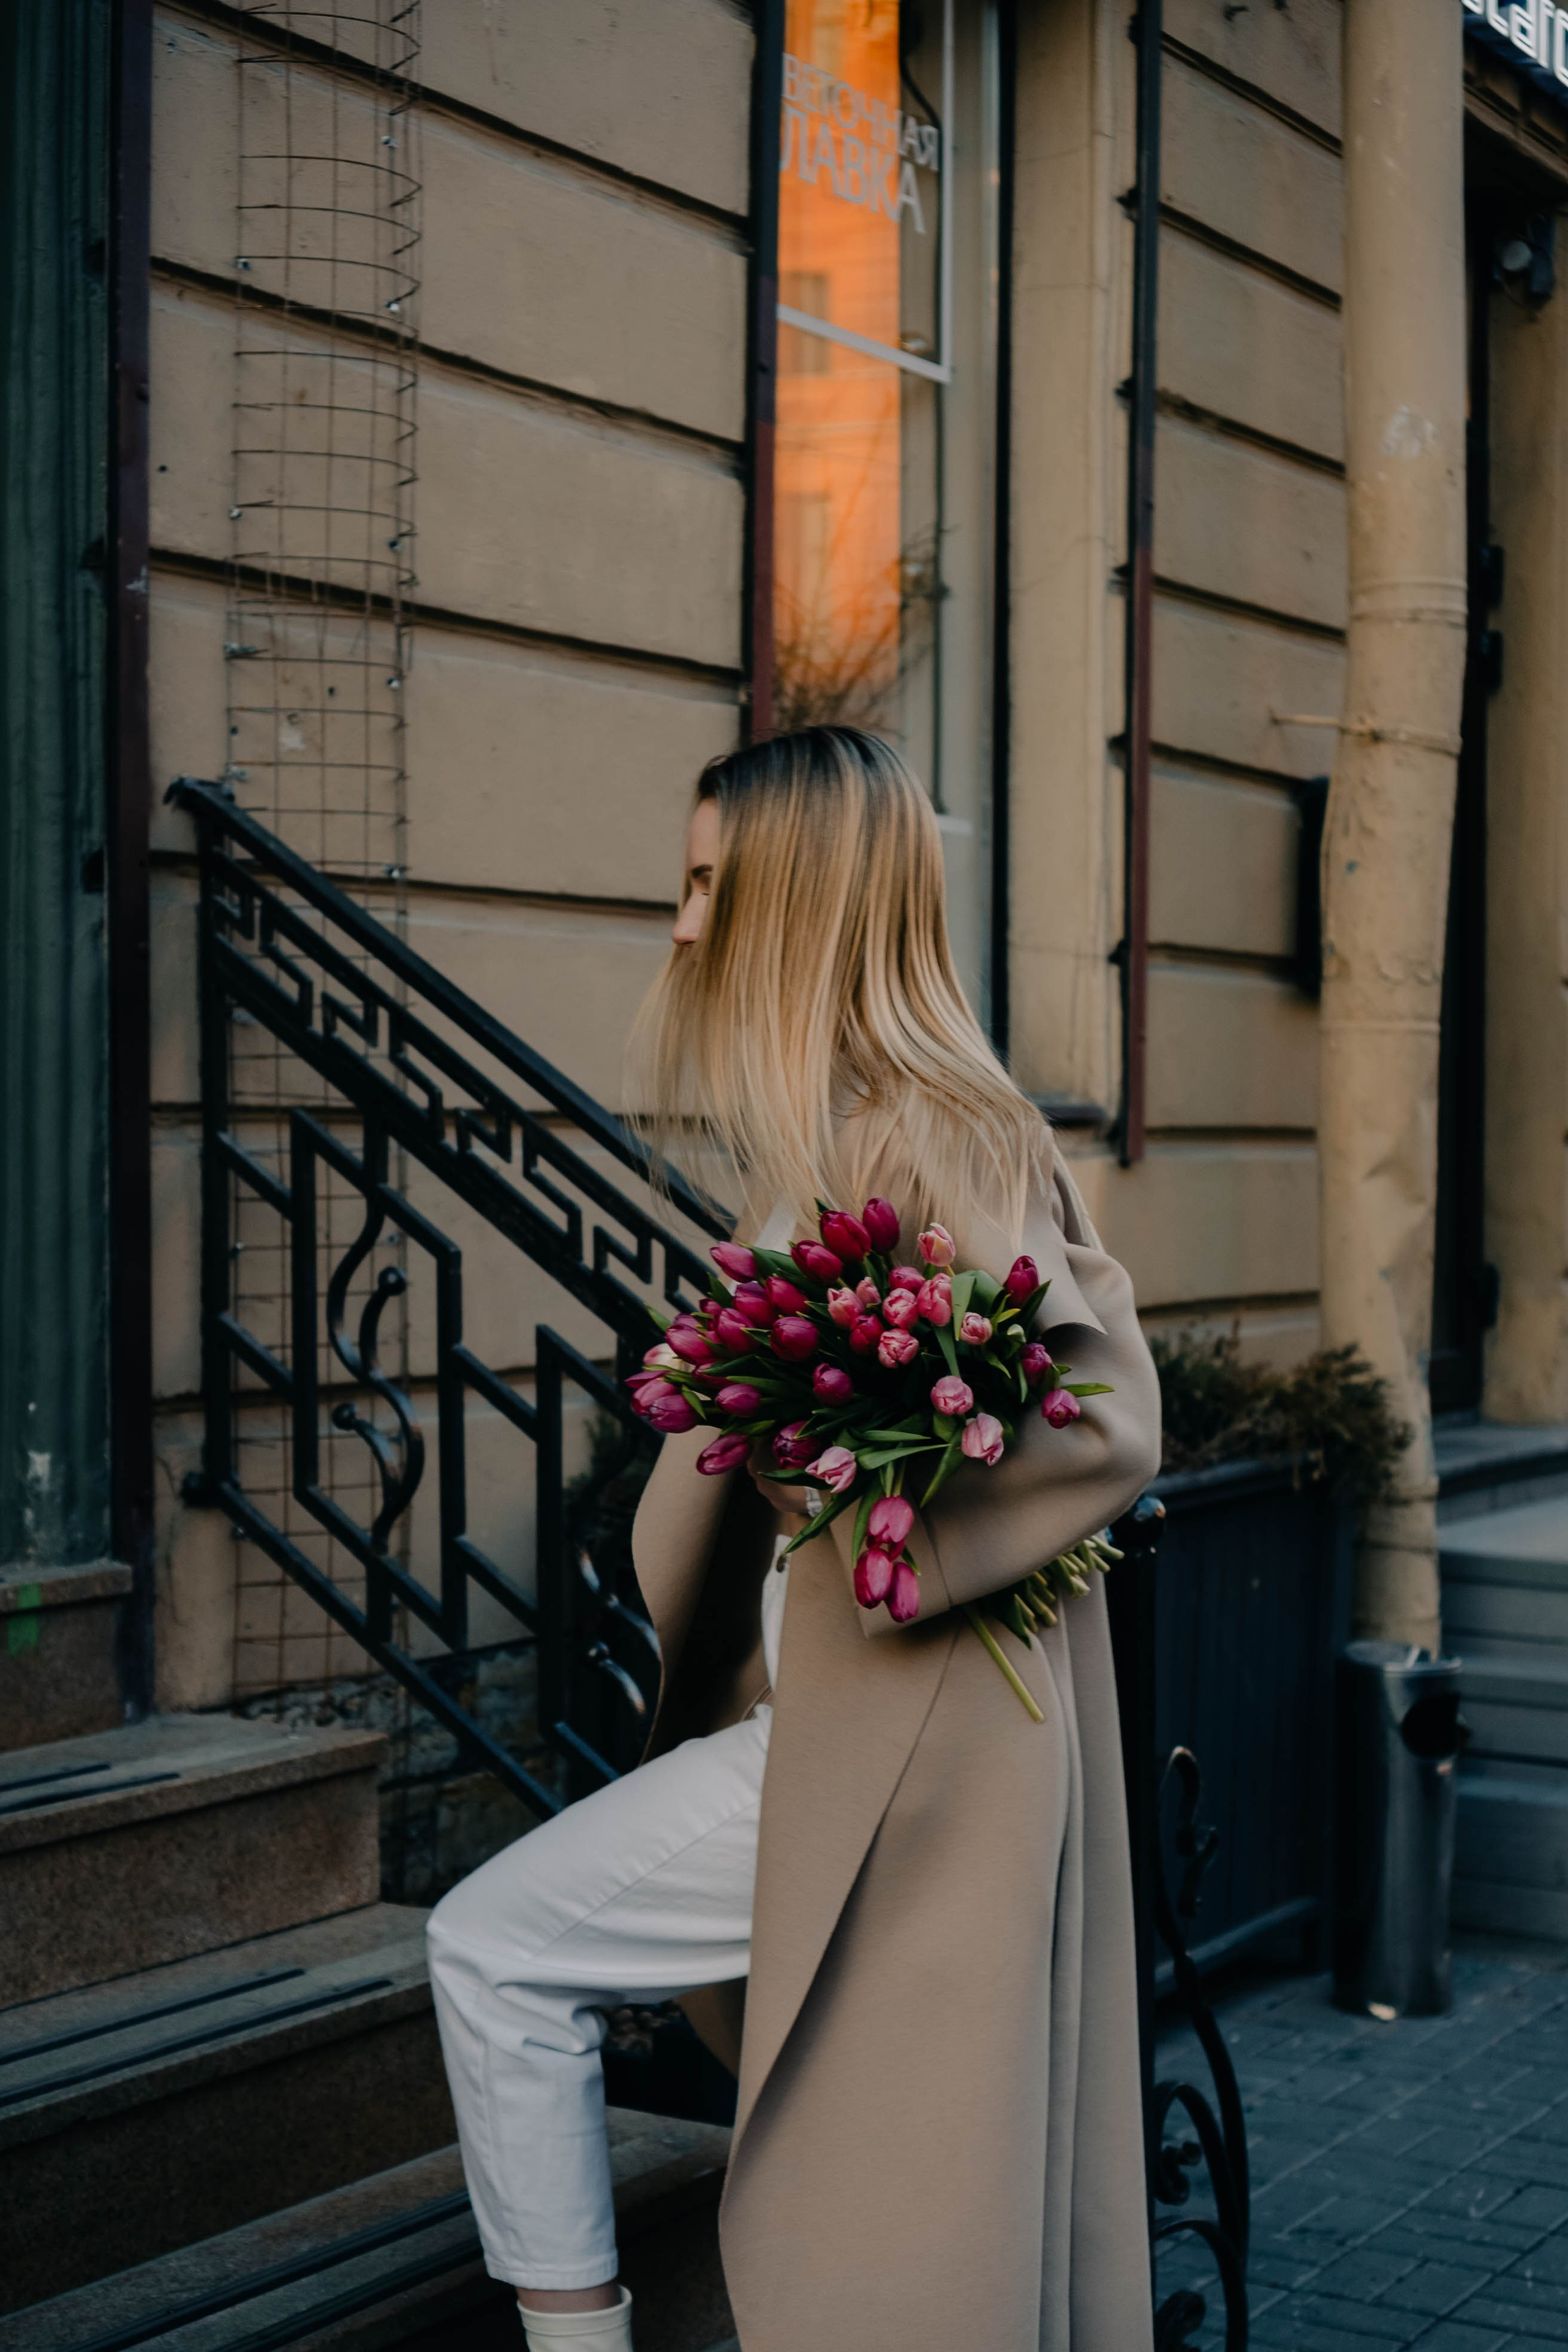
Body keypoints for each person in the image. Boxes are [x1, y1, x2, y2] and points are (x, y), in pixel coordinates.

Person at [427, 726, 1162, 2351]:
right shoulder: (848, 1139)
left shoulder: (936, 1132)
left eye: (707, 885)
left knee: (498, 1950)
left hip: (897, 1745)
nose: (682, 929)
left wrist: (850, 1462)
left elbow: (1102, 1416)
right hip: (840, 1730)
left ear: (797, 899)